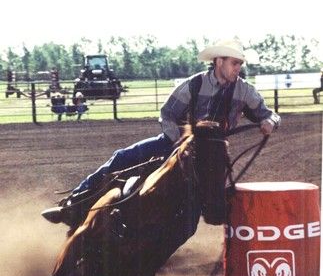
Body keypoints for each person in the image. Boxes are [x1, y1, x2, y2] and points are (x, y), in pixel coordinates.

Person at [42, 38, 281, 225]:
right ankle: (72, 204)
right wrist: (178, 141)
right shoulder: (193, 85)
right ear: (219, 61)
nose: (237, 69)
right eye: (234, 63)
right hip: (177, 143)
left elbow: (268, 113)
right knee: (121, 158)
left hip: (213, 151)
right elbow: (167, 115)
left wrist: (270, 121)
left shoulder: (245, 91)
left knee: (222, 192)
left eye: (239, 64)